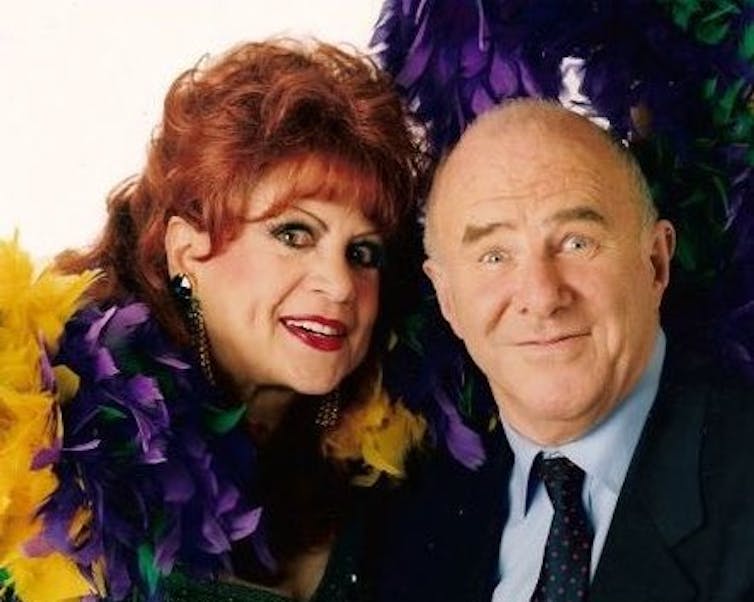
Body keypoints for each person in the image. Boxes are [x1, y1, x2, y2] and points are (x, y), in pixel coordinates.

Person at [0, 39, 428, 602]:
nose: (341, 283)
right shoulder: (42, 434)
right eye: (294, 234)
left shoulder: (404, 448)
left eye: (363, 252)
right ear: (187, 252)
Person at [376, 98, 754, 601]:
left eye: (577, 243)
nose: (541, 296)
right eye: (494, 256)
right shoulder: (412, 522)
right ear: (447, 299)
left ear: (656, 263)